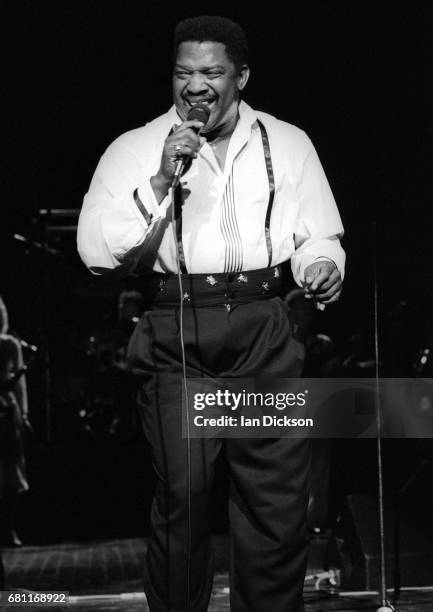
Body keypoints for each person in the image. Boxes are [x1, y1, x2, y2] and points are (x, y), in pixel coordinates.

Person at [77, 16, 345, 612]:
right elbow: (95, 253)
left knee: (274, 505)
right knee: (186, 496)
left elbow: (320, 234)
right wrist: (160, 179)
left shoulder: (289, 142)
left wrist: (321, 265)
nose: (195, 85)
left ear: (241, 77)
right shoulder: (134, 149)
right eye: (184, 72)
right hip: (179, 331)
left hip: (262, 331)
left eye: (211, 72)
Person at [0, 296, 30, 548]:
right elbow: (18, 382)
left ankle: (9, 529)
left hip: (7, 410)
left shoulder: (10, 344)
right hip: (7, 406)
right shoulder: (9, 344)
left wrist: (25, 413)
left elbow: (20, 387)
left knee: (10, 466)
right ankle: (8, 530)